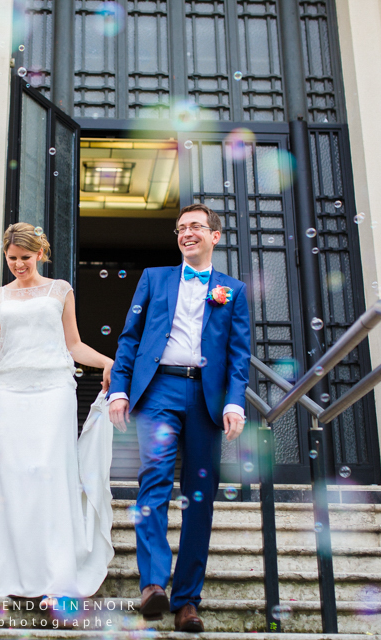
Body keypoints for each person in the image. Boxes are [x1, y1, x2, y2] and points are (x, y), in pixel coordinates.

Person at [0, 222, 116, 598]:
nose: (18, 264)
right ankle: (15, 575)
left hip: (53, 389)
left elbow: (74, 345)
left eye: (25, 257)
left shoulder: (60, 290)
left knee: (49, 473)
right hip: (8, 392)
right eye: (12, 258)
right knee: (14, 479)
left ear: (40, 253)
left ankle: (58, 578)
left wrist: (107, 362)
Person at [108, 203, 251, 633]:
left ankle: (188, 599)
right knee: (153, 481)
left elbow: (239, 354)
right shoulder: (154, 278)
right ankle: (153, 585)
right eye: (181, 227)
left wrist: (234, 401)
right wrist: (119, 388)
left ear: (215, 236)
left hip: (206, 396)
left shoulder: (233, 290)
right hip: (158, 391)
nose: (187, 233)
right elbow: (129, 338)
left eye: (196, 227)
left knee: (200, 496)